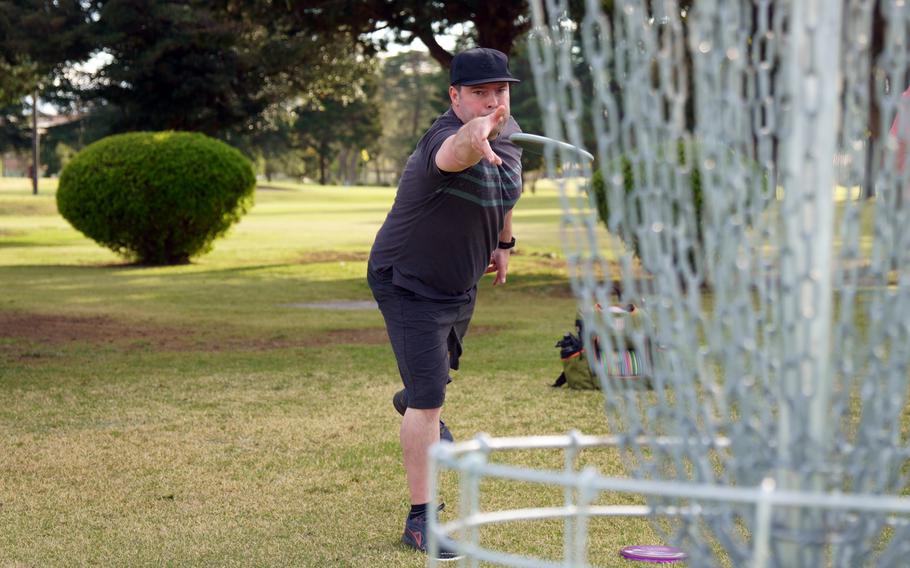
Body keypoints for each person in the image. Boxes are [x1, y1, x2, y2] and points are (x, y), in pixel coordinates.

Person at [367, 47, 523, 560]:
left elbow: (506, 191)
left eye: (499, 91)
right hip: (407, 279)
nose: (491, 102)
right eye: (478, 93)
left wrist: (503, 245)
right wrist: (471, 138)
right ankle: (420, 523)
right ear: (454, 96)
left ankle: (417, 402)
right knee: (430, 397)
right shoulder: (444, 139)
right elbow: (455, 151)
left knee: (430, 386)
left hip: (459, 284)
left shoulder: (510, 131)